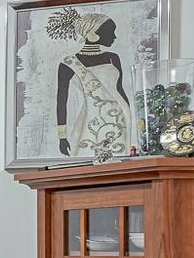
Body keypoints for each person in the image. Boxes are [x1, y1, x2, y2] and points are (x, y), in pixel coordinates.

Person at [48, 9, 133, 159]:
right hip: (92, 120)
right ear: (93, 35)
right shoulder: (68, 64)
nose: (114, 36)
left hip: (121, 119)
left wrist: (131, 119)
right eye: (111, 32)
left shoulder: (113, 57)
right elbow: (61, 102)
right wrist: (62, 137)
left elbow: (120, 90)